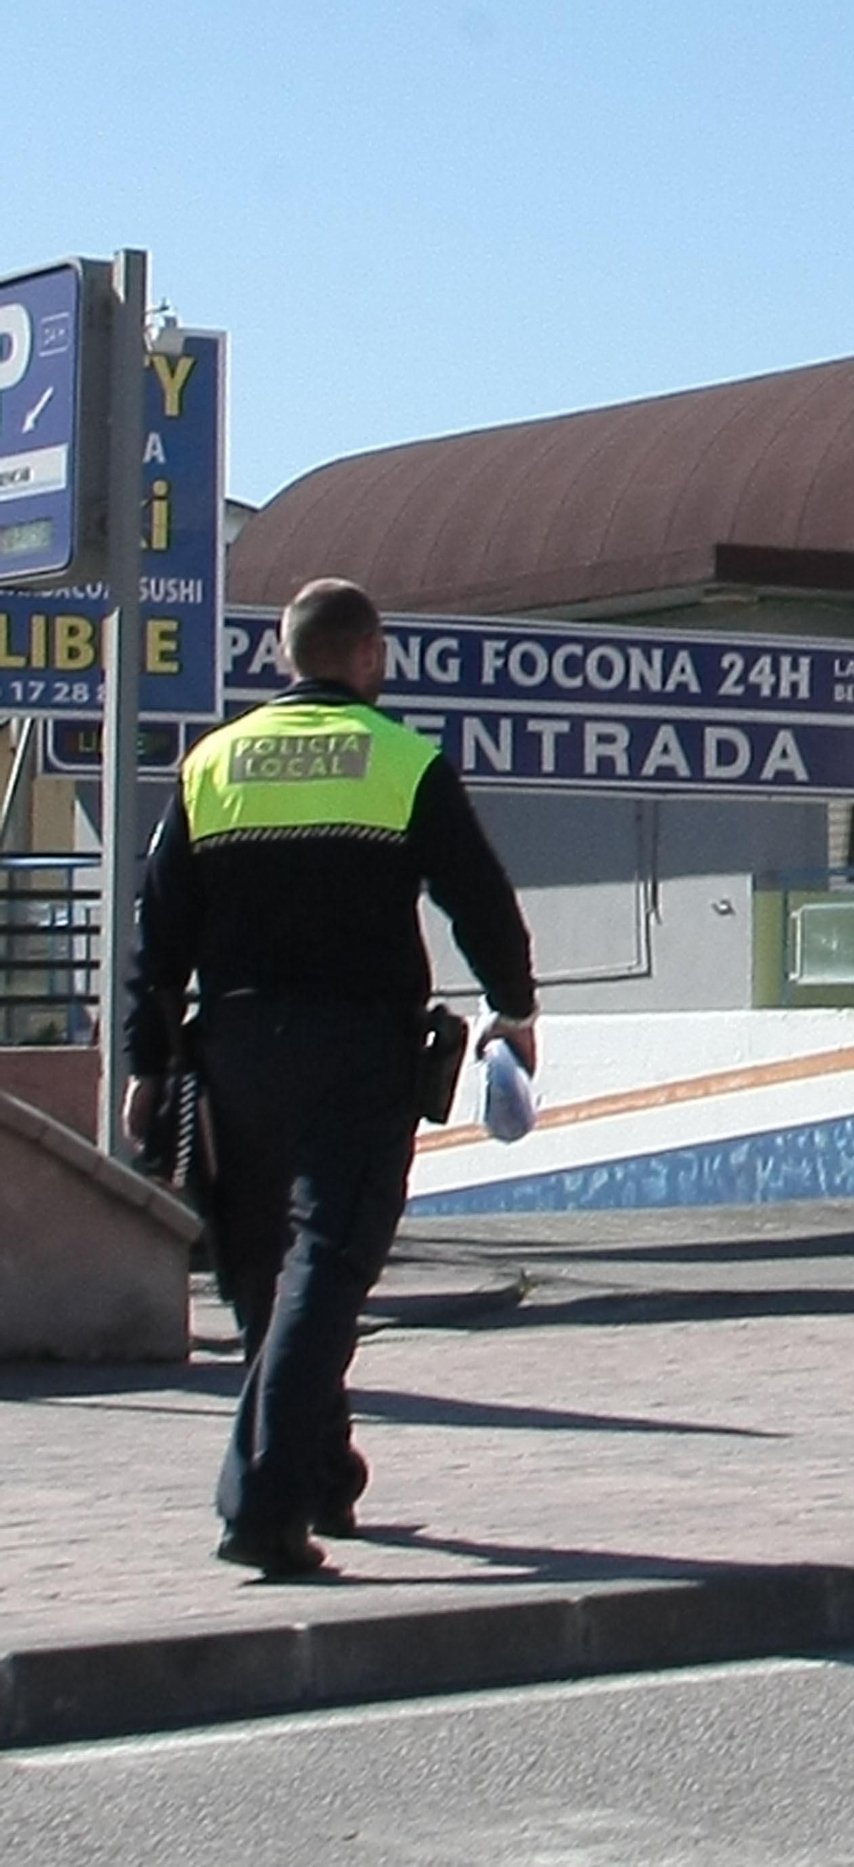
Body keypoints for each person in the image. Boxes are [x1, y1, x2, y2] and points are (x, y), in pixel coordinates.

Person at [123, 577, 538, 1578]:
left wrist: (144, 1062)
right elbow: (477, 897)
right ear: (367, 655)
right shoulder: (402, 759)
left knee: (265, 1276)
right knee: (328, 1267)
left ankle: (321, 1472)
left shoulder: (212, 762)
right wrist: (513, 1011)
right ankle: (261, 1508)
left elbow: (157, 929)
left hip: (232, 1052)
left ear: (286, 655)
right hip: (358, 1051)